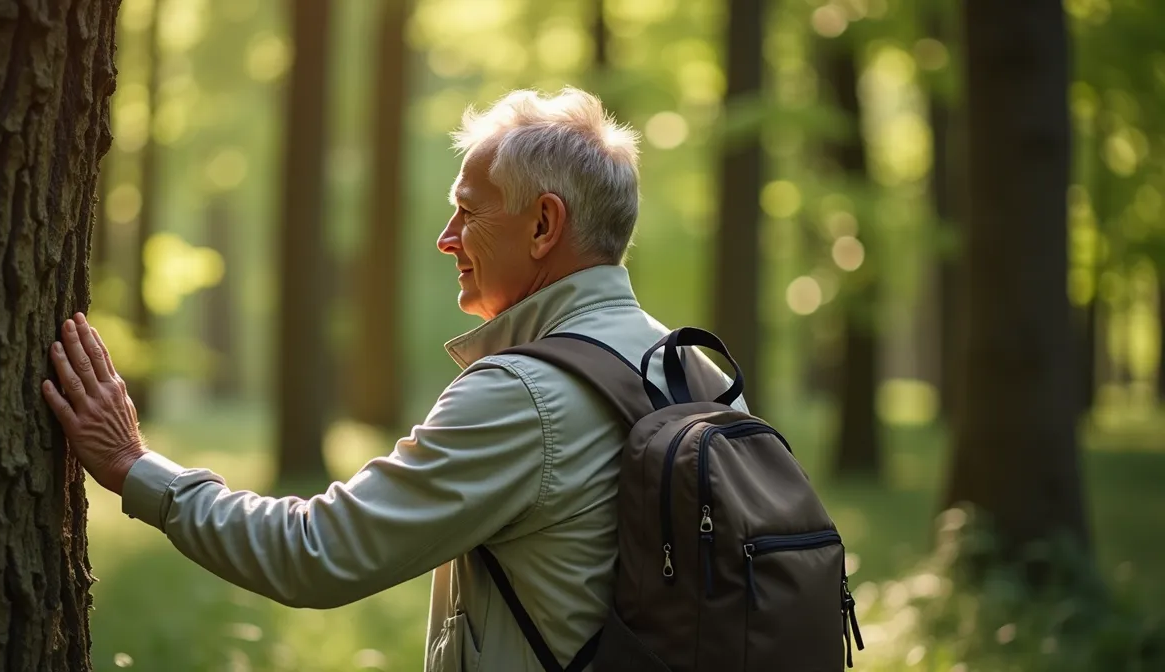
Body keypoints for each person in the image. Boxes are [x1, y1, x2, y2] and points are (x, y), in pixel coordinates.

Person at [43, 87, 747, 671]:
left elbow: (314, 555)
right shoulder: (699, 372)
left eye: (468, 213)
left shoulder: (524, 395)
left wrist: (135, 468)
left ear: (543, 225)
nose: (445, 238)